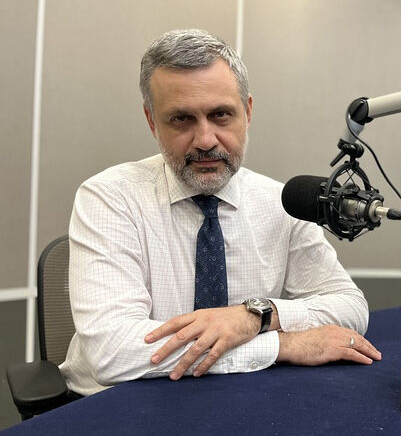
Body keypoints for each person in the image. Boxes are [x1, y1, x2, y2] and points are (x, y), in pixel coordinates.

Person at [60, 29, 381, 396]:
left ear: (247, 111)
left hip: (241, 398)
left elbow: (350, 307)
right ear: (152, 121)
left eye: (221, 115)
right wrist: (280, 344)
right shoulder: (109, 198)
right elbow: (113, 352)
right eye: (181, 119)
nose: (205, 140)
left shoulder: (281, 203)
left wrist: (255, 315)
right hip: (119, 405)